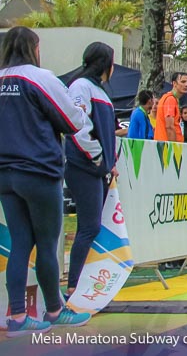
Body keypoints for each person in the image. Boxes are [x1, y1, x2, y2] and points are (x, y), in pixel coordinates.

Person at [0, 27, 97, 334]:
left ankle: (17, 316)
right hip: (38, 170)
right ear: (35, 49)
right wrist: (80, 112)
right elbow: (71, 120)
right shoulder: (39, 78)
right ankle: (55, 309)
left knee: (19, 242)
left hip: (4, 173)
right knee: (46, 241)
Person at [65, 42, 119, 301]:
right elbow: (79, 126)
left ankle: (81, 282)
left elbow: (106, 132)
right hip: (83, 166)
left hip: (96, 167)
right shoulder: (81, 87)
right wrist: (98, 157)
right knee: (88, 226)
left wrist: (110, 162)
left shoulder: (99, 90)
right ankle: (73, 285)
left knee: (92, 226)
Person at [154, 72, 187, 142]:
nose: (186, 85)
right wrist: (173, 148)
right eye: (183, 82)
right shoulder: (170, 99)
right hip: (167, 147)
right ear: (174, 83)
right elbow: (169, 126)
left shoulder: (172, 99)